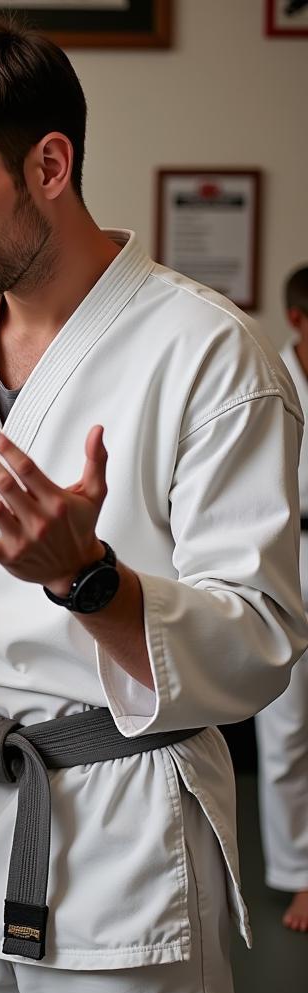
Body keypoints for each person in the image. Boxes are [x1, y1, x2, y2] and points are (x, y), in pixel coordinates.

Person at [0, 16, 308, 993]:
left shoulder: (207, 353)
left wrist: (89, 580)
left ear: (48, 163)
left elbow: (261, 643)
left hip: (125, 828)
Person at [255, 263, 308, 933]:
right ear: (297, 318)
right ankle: (299, 873)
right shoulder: (266, 377)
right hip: (284, 549)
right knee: (287, 722)